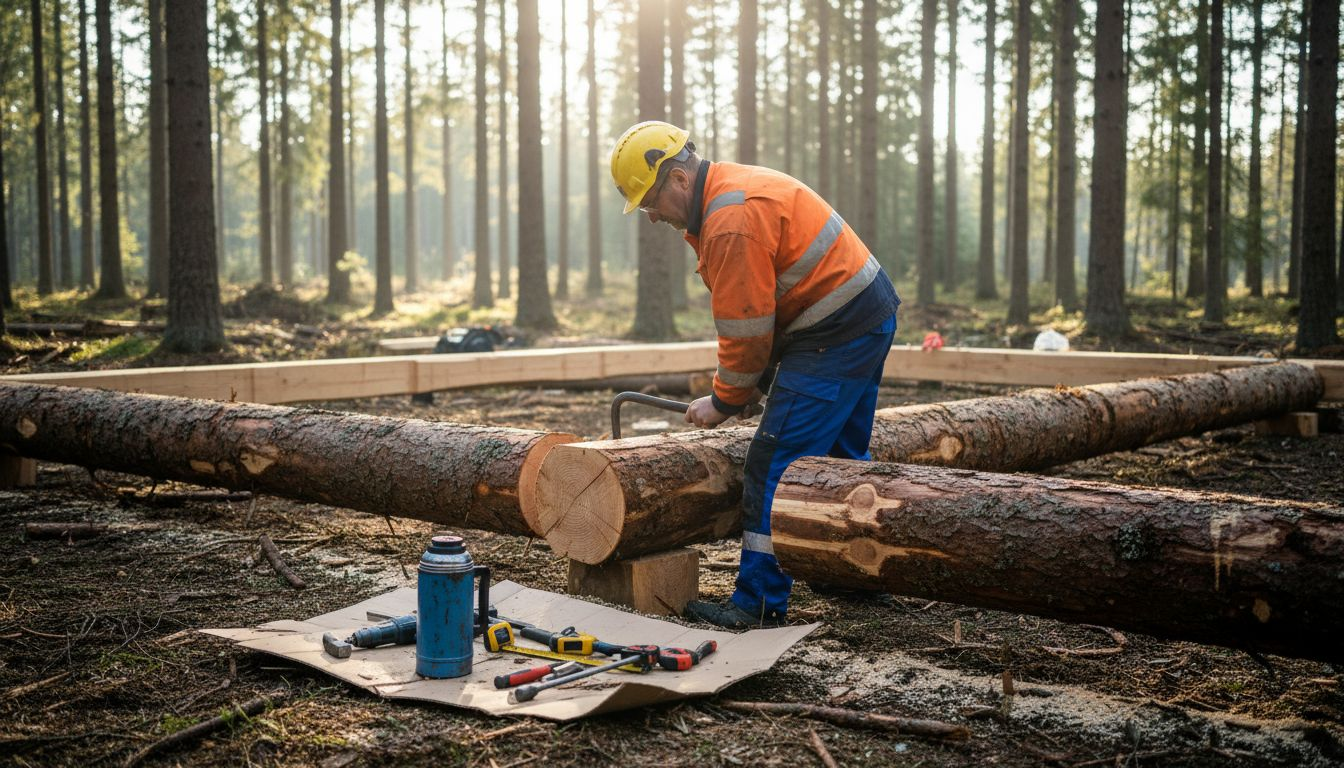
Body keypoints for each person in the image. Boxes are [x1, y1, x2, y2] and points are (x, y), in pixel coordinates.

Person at [609, 121, 901, 629]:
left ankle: (759, 603)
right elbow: (766, 313)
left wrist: (724, 400)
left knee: (772, 464)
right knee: (841, 460)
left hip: (834, 330)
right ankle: (853, 573)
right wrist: (750, 389)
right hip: (864, 314)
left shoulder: (730, 221)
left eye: (651, 200)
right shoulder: (728, 194)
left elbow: (746, 331)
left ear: (679, 178)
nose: (652, 216)